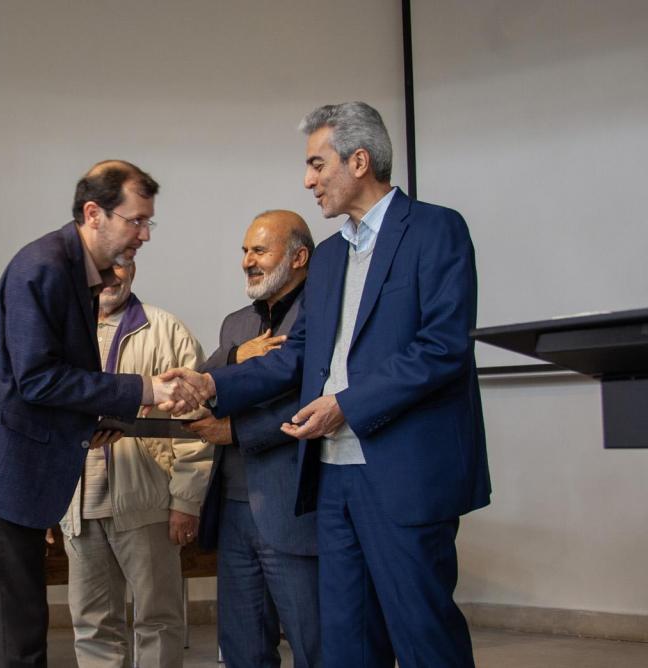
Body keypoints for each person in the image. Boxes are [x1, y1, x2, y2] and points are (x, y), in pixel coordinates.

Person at [164, 102, 490, 667]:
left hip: (405, 475)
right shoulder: (332, 255)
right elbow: (295, 356)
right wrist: (210, 382)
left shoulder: (436, 230)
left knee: (423, 638)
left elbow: (443, 348)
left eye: (317, 164)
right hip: (332, 477)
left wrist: (346, 404)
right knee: (346, 644)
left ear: (359, 161)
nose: (307, 180)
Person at [0, 160, 200, 667]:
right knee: (17, 642)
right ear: (94, 213)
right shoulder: (44, 268)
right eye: (136, 220)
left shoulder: (74, 272)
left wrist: (93, 422)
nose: (145, 234)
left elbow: (48, 383)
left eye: (149, 222)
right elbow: (37, 379)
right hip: (3, 477)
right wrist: (146, 387)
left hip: (14, 476)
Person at [51, 259, 211, 668]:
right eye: (100, 267)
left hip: (148, 504)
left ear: (133, 269)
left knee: (158, 620)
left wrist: (186, 501)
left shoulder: (166, 330)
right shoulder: (62, 333)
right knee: (92, 625)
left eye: (119, 265)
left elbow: (197, 424)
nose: (110, 275)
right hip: (78, 507)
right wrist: (47, 500)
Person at [187, 210, 321, 668]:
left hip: (293, 506)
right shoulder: (235, 326)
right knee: (243, 649)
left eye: (260, 250)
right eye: (245, 250)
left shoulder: (322, 316)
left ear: (299, 257)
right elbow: (205, 383)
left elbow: (317, 401)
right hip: (233, 506)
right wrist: (235, 355)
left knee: (315, 645)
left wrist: (235, 431)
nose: (247, 260)